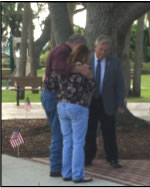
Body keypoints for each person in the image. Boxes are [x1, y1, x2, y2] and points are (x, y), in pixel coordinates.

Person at [41, 34, 91, 177]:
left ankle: (64, 169)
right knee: (59, 135)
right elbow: (58, 67)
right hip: (55, 97)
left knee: (63, 136)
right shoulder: (63, 51)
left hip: (52, 96)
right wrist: (80, 68)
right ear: (77, 43)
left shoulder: (58, 50)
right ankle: (57, 168)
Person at [85, 35, 125, 168]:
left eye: (106, 50)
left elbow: (120, 85)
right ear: (95, 47)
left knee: (109, 132)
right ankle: (87, 157)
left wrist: (120, 104)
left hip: (107, 103)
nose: (103, 52)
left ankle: (112, 158)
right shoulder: (86, 61)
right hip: (89, 103)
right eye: (100, 49)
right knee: (89, 131)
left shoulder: (114, 62)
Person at [57, 44, 95, 183]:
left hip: (62, 105)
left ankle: (66, 173)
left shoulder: (66, 68)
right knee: (78, 142)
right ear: (85, 55)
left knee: (67, 141)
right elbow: (91, 87)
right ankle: (77, 175)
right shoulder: (84, 69)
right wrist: (91, 77)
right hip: (78, 106)